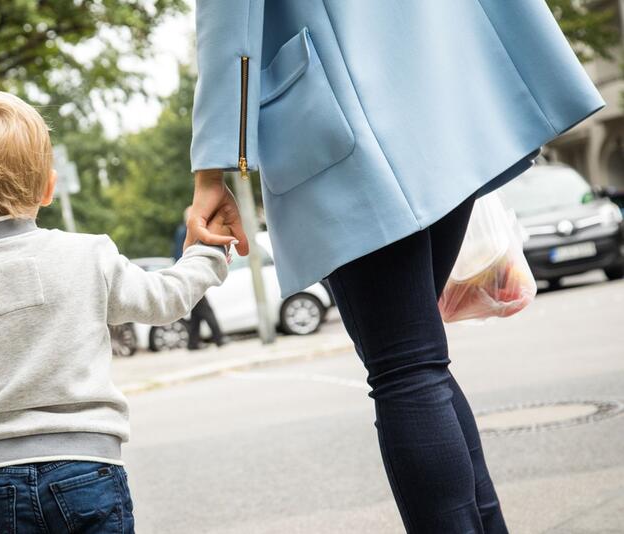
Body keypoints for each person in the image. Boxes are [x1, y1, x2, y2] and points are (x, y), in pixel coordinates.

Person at [187, 2, 603, 533]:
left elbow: (228, 17)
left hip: (347, 109)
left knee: (406, 369)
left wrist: (213, 167)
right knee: (422, 362)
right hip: (446, 81)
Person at [0, 90, 230, 533]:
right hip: (89, 469)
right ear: (48, 186)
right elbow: (163, 300)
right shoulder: (88, 256)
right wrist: (205, 253)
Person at [173, 207, 226, 350]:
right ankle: (219, 338)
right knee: (206, 309)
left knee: (197, 312)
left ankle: (193, 343)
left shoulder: (182, 231)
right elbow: (182, 254)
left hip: (188, 276)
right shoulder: (186, 232)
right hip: (189, 277)